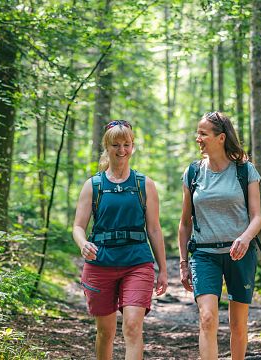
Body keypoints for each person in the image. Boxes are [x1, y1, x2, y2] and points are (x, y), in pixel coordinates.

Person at [72, 120, 168, 360]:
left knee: (133, 327)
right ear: (107, 146)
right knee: (106, 332)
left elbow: (154, 230)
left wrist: (163, 269)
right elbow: (78, 226)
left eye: (127, 144)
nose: (122, 150)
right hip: (100, 263)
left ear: (133, 146)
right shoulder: (93, 185)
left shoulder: (144, 184)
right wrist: (83, 244)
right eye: (116, 144)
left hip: (137, 262)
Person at [178, 111, 261, 360]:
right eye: (198, 133)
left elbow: (257, 218)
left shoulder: (245, 170)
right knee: (207, 317)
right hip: (204, 254)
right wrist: (184, 263)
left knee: (238, 324)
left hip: (241, 254)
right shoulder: (193, 173)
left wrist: (245, 238)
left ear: (221, 138)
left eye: (203, 133)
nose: (198, 138)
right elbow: (184, 223)